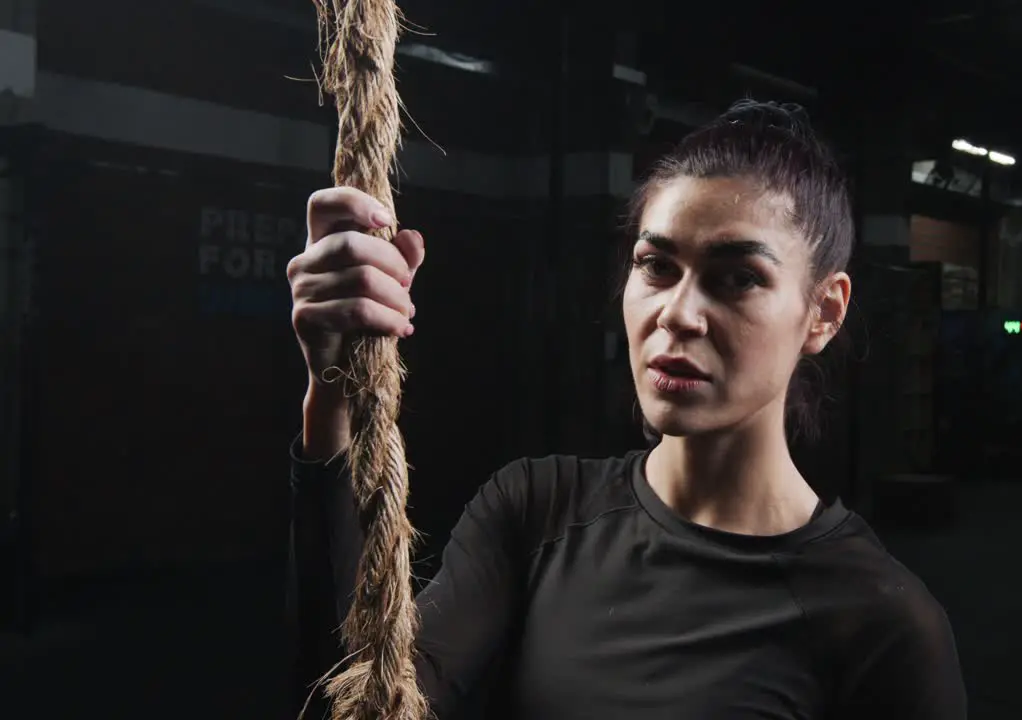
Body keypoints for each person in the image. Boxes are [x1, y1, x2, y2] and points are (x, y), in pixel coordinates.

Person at [287, 100, 966, 719]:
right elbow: (355, 702)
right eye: (657, 266)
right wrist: (336, 399)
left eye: (738, 279)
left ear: (823, 313)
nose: (678, 313)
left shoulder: (882, 626)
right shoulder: (536, 512)